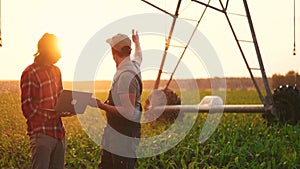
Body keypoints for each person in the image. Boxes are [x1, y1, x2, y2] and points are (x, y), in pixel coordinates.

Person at [89, 29, 143, 169]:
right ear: (128, 51)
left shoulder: (125, 77)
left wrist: (102, 105)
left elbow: (128, 111)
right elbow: (139, 56)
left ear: (113, 52)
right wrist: (137, 42)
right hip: (115, 134)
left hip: (122, 137)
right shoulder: (134, 66)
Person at [20, 33, 69, 169]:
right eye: (57, 51)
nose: (60, 55)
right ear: (48, 50)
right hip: (41, 134)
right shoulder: (30, 72)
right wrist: (52, 114)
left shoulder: (56, 71)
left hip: (59, 133)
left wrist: (67, 108)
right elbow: (27, 108)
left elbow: (60, 95)